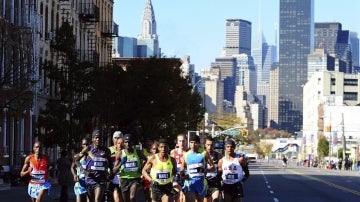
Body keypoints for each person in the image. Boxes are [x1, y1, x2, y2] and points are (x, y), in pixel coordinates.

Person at [77, 129, 113, 202]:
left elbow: (110, 164)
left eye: (99, 137)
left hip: (100, 181)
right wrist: (84, 171)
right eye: (96, 137)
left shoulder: (106, 151)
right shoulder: (88, 149)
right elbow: (76, 160)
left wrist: (110, 173)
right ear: (92, 139)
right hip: (89, 180)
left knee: (97, 200)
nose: (98, 139)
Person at [113, 133, 147, 202]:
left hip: (135, 179)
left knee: (132, 197)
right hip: (124, 179)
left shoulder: (137, 152)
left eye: (129, 142)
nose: (128, 144)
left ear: (132, 143)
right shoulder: (120, 153)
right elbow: (114, 170)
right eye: (126, 142)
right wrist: (121, 163)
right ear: (123, 143)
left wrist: (142, 168)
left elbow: (146, 160)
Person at [181, 133, 214, 202]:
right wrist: (182, 174)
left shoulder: (204, 153)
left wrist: (204, 170)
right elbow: (182, 167)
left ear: (199, 143)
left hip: (200, 182)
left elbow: (212, 167)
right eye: (191, 142)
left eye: (195, 143)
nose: (193, 145)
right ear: (189, 143)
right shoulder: (186, 155)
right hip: (190, 182)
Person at [204, 137, 223, 202]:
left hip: (215, 182)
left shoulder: (219, 156)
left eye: (211, 145)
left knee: (216, 199)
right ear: (205, 145)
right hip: (204, 182)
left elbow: (222, 169)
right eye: (208, 145)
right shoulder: (201, 156)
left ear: (214, 145)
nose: (210, 147)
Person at [71, 138, 90, 202]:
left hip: (89, 181)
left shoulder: (91, 156)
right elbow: (72, 167)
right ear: (81, 145)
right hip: (79, 181)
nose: (86, 146)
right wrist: (74, 175)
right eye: (84, 144)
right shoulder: (77, 156)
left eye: (87, 144)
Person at [170, 133, 187, 202]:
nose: (182, 143)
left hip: (186, 176)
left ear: (186, 141)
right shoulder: (173, 152)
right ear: (177, 142)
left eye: (183, 141)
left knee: (184, 198)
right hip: (176, 176)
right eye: (180, 141)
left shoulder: (188, 152)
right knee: (176, 195)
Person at [108, 131, 124, 202]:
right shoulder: (109, 149)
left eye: (118, 138)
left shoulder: (125, 150)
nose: (116, 139)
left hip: (124, 176)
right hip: (112, 176)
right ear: (112, 139)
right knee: (114, 197)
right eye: (115, 138)